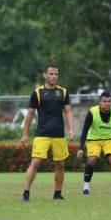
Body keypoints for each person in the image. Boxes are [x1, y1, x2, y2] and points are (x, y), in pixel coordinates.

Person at [21, 64, 74, 201]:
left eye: (56, 74)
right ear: (45, 75)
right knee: (36, 162)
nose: (54, 76)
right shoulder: (37, 93)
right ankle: (26, 193)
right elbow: (30, 114)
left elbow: (68, 112)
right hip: (42, 134)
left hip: (59, 134)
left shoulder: (63, 92)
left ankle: (57, 194)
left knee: (60, 164)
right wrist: (25, 134)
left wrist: (71, 129)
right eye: (51, 74)